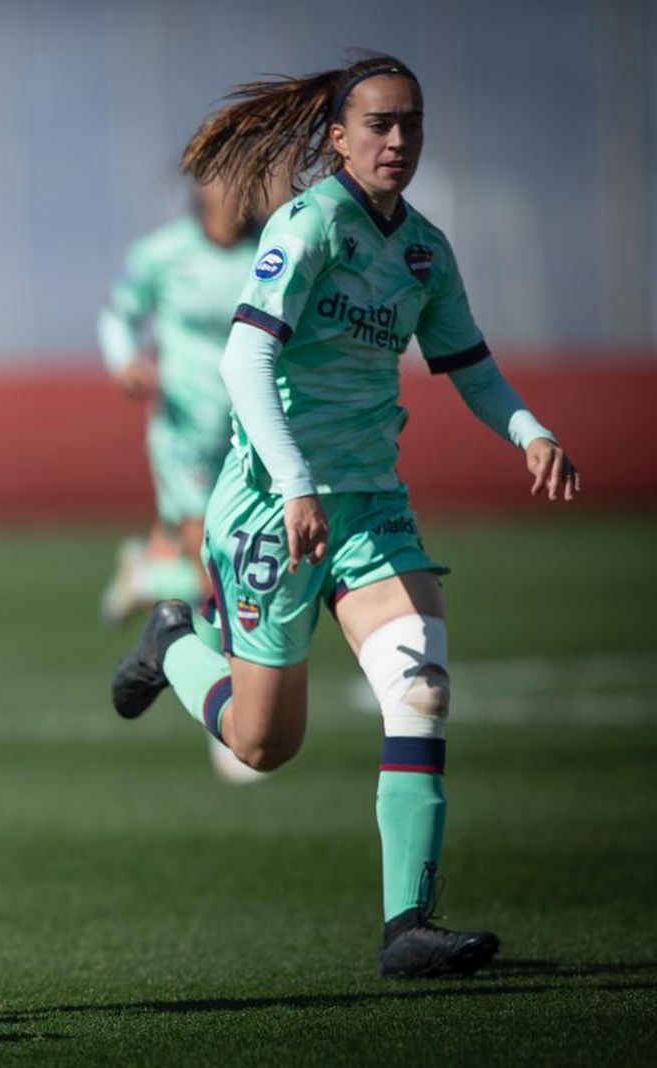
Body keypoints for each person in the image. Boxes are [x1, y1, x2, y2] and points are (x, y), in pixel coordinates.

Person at [110, 55, 580, 978]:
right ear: (338, 136)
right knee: (263, 743)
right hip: (270, 508)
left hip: (369, 509)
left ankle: (406, 926)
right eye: (378, 125)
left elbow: (470, 366)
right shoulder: (309, 222)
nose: (397, 140)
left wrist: (528, 429)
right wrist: (292, 484)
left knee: (424, 689)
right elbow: (243, 363)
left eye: (410, 124)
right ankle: (171, 640)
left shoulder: (425, 250)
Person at [97, 177, 274, 785]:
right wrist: (124, 359)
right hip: (183, 430)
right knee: (215, 559)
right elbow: (119, 313)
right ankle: (231, 717)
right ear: (201, 186)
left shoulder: (275, 249)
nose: (242, 188)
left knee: (253, 557)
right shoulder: (162, 254)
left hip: (257, 429)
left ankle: (147, 572)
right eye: (227, 175)